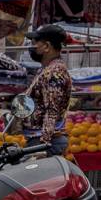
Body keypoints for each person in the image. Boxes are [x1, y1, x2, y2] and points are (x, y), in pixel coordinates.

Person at [19, 25, 74, 156]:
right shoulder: (47, 69)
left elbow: (52, 111)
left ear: (47, 46)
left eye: (35, 43)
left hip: (45, 141)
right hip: (40, 139)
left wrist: (43, 146)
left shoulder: (54, 72)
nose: (32, 47)